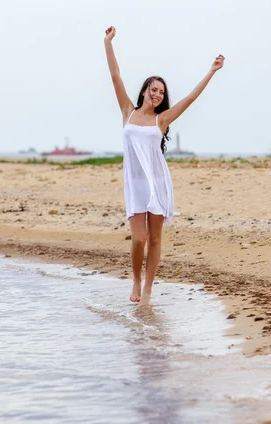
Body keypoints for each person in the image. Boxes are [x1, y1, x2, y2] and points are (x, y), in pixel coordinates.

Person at [103, 25, 225, 306]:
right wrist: (107, 42)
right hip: (135, 184)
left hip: (157, 182)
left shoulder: (163, 119)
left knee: (155, 239)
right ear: (144, 90)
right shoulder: (128, 112)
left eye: (161, 92)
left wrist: (212, 70)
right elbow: (115, 75)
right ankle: (135, 279)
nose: (157, 94)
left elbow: (191, 98)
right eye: (153, 89)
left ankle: (147, 288)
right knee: (138, 239)